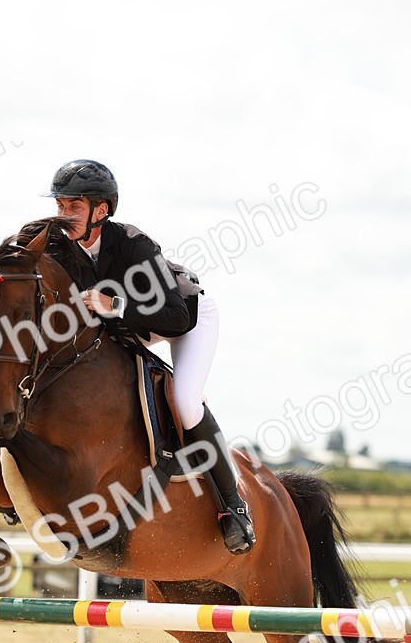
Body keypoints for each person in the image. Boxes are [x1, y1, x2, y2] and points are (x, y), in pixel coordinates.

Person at [46, 159, 255, 555]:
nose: (64, 215)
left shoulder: (133, 243)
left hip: (187, 318)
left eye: (74, 207)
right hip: (130, 327)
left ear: (101, 210)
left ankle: (233, 506)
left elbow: (174, 318)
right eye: (60, 206)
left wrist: (115, 304)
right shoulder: (64, 247)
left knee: (186, 402)